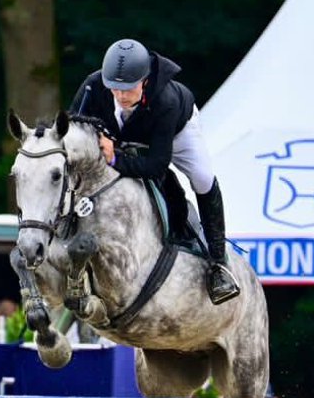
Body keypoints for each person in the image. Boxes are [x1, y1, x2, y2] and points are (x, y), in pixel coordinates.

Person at [69, 38, 240, 305]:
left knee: (203, 178)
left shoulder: (167, 101)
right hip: (121, 133)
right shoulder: (93, 85)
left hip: (176, 132)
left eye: (128, 89)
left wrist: (115, 160)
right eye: (115, 89)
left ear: (145, 81)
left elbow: (157, 164)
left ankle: (219, 263)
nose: (121, 96)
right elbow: (72, 133)